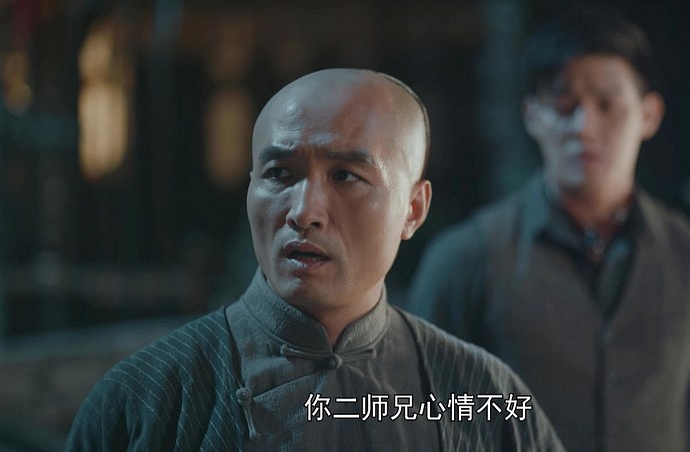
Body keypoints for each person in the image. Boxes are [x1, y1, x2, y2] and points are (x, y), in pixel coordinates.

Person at [65, 69, 564, 451]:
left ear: (413, 209)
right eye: (280, 174)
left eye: (346, 176)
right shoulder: (147, 399)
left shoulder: (482, 396)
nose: (304, 213)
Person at [408, 10, 690, 451]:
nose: (584, 126)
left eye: (607, 105)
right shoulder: (467, 258)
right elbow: (420, 424)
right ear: (533, 116)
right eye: (564, 104)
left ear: (649, 115)